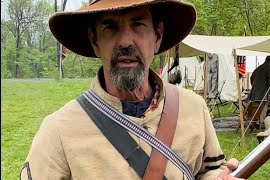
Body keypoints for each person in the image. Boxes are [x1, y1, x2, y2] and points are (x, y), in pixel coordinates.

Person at [20, 0, 244, 179]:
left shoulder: (194, 107)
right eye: (110, 26)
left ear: (157, 36)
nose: (126, 41)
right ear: (95, 41)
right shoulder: (57, 131)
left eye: (138, 24)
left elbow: (208, 171)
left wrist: (218, 177)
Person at [248, 56, 270, 126]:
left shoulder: (258, 68)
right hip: (263, 93)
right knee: (263, 107)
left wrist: (255, 87)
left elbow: (251, 78)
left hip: (254, 92)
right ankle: (260, 122)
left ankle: (253, 121)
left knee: (256, 107)